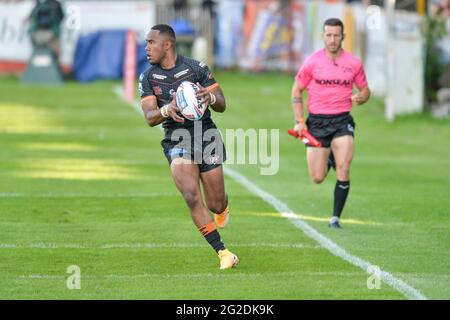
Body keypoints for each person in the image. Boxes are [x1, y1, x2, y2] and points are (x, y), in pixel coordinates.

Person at [139, 24, 239, 269]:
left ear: (168, 44)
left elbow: (222, 104)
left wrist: (211, 97)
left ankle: (222, 208)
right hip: (177, 139)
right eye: (147, 43)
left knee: (215, 203)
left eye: (151, 42)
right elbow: (150, 117)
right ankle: (223, 253)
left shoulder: (197, 69)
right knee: (191, 195)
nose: (147, 48)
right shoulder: (148, 77)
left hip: (206, 135)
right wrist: (165, 109)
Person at [290, 18, 371, 229]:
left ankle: (335, 218)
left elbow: (365, 90)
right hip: (316, 122)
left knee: (344, 167)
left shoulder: (353, 63)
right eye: (329, 35)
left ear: (343, 36)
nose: (332, 39)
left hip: (342, 120)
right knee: (317, 177)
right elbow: (296, 90)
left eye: (336, 35)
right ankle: (329, 159)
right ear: (323, 36)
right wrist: (300, 121)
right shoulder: (312, 62)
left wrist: (362, 97)